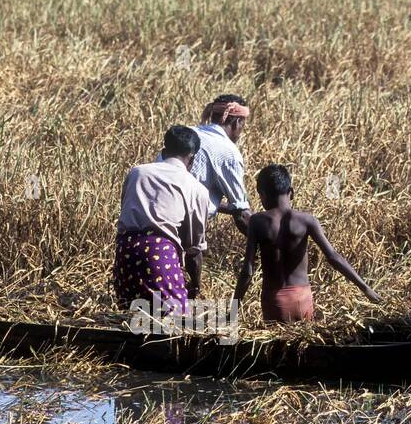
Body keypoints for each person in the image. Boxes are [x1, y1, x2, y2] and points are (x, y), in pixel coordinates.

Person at [232, 164, 381, 323]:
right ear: (292, 193)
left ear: (262, 194)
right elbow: (333, 257)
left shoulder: (257, 221)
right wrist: (366, 288)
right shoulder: (307, 220)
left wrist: (233, 310)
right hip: (302, 299)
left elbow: (248, 270)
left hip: (275, 301)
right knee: (304, 346)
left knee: (279, 347)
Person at [113, 125, 212, 314]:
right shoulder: (196, 189)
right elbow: (193, 250)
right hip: (159, 254)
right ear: (192, 159)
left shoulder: (137, 173)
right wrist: (195, 285)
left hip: (125, 252)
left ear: (164, 151)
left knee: (132, 317)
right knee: (174, 322)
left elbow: (125, 208)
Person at [168, 94, 253, 236]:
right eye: (243, 124)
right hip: (182, 226)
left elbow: (182, 191)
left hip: (149, 214)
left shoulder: (184, 135)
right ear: (237, 122)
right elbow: (242, 214)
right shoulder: (229, 152)